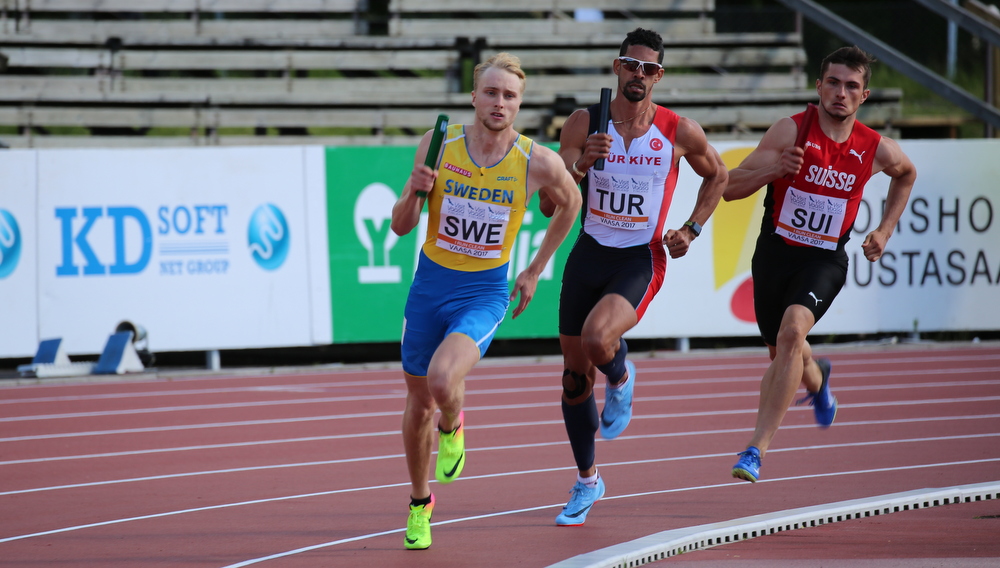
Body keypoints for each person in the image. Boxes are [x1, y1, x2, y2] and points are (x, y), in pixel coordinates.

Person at [391, 52, 581, 549]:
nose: (499, 103)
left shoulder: (535, 160)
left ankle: (453, 423)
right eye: (491, 93)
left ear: (519, 104)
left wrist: (535, 268)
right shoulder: (438, 143)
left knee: (439, 381)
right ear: (474, 96)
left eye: (510, 96)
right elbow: (400, 225)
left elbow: (572, 204)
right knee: (416, 401)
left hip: (484, 292)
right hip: (430, 286)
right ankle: (419, 502)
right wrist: (415, 191)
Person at [545, 27, 728, 526]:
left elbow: (719, 175)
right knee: (572, 376)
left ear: (659, 76)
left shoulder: (677, 130)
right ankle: (587, 481)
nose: (638, 75)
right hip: (589, 252)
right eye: (631, 65)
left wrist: (691, 228)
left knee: (598, 340)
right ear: (616, 67)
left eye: (648, 69)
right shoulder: (585, 123)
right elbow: (547, 203)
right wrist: (581, 164)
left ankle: (622, 376)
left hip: (639, 258)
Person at [724, 46, 916, 483]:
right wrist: (775, 167)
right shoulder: (790, 130)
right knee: (784, 351)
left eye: (851, 86)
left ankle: (756, 449)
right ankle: (817, 375)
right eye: (833, 82)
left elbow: (906, 174)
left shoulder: (873, 147)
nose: (841, 93)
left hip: (824, 260)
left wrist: (885, 229)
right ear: (819, 86)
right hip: (775, 255)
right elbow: (729, 188)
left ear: (863, 95)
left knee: (792, 332)